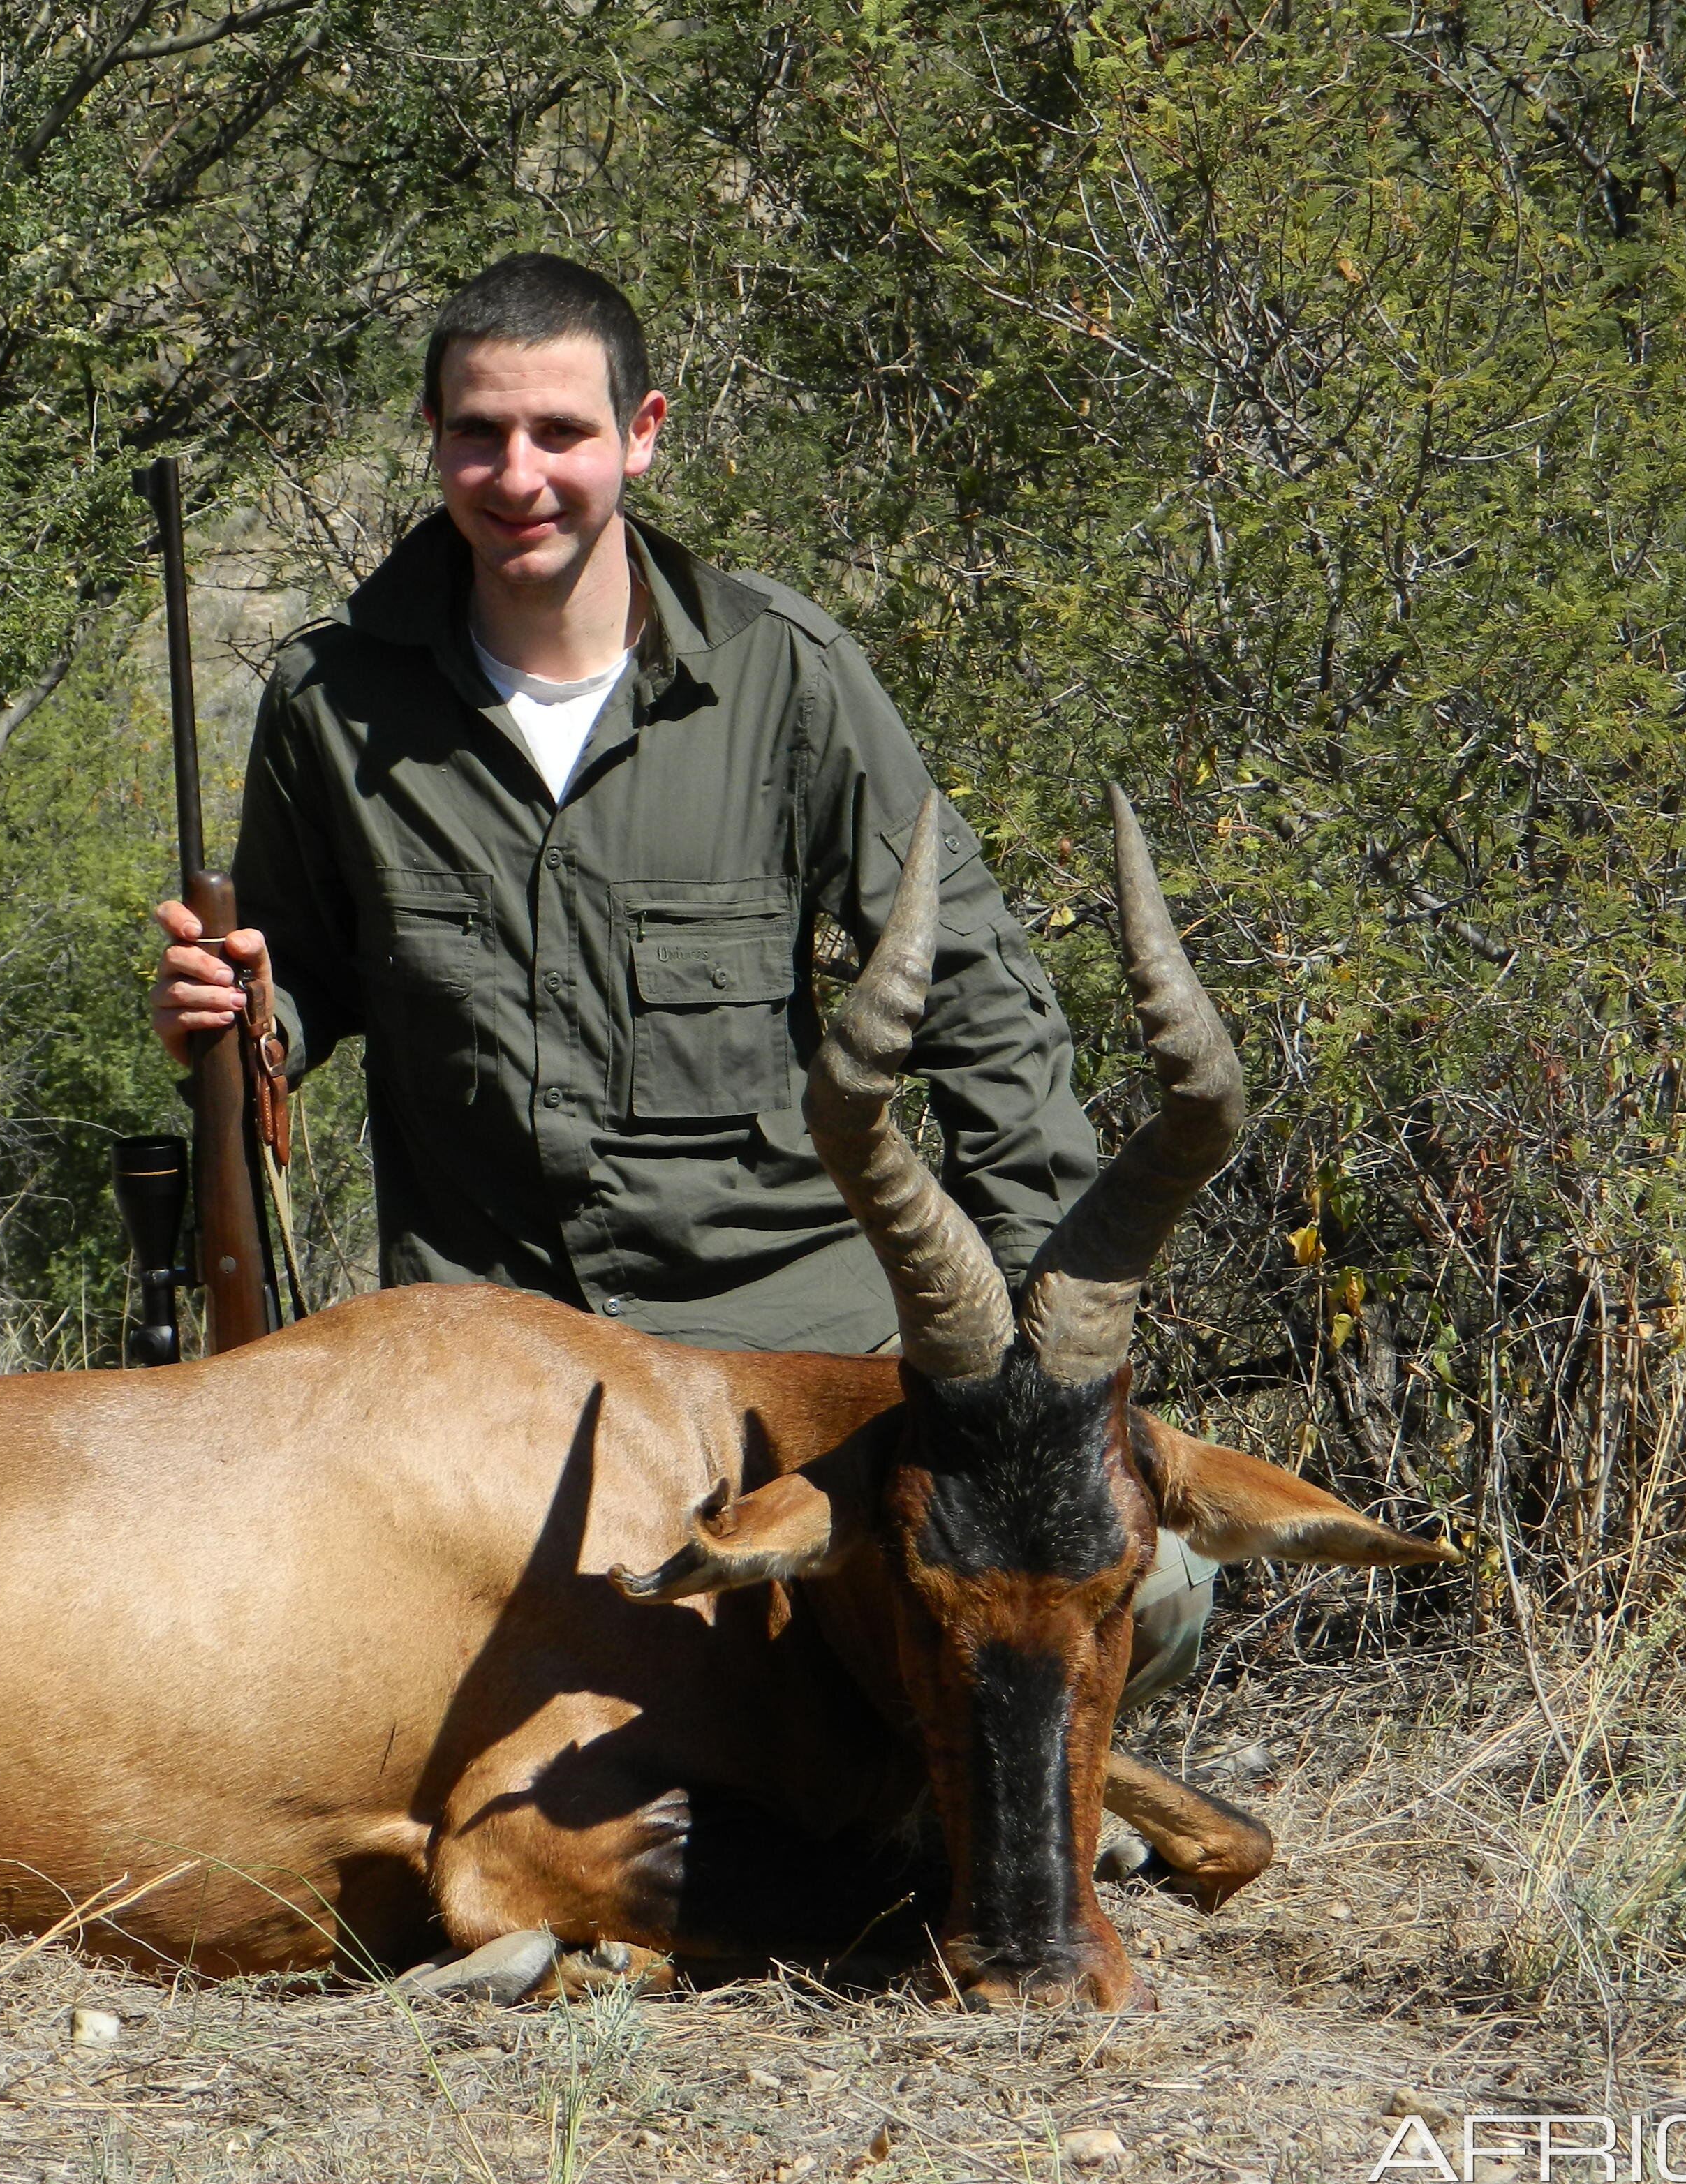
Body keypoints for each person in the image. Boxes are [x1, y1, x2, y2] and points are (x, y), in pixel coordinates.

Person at [148, 251, 1212, 1705]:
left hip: (790, 1350)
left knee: (1156, 1599)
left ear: (640, 434)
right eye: (478, 432)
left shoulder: (787, 674)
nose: (516, 474)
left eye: (560, 434)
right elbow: (301, 977)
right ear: (434, 440)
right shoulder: (326, 703)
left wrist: (1038, 1368)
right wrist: (240, 1017)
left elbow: (983, 1003)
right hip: (491, 1372)